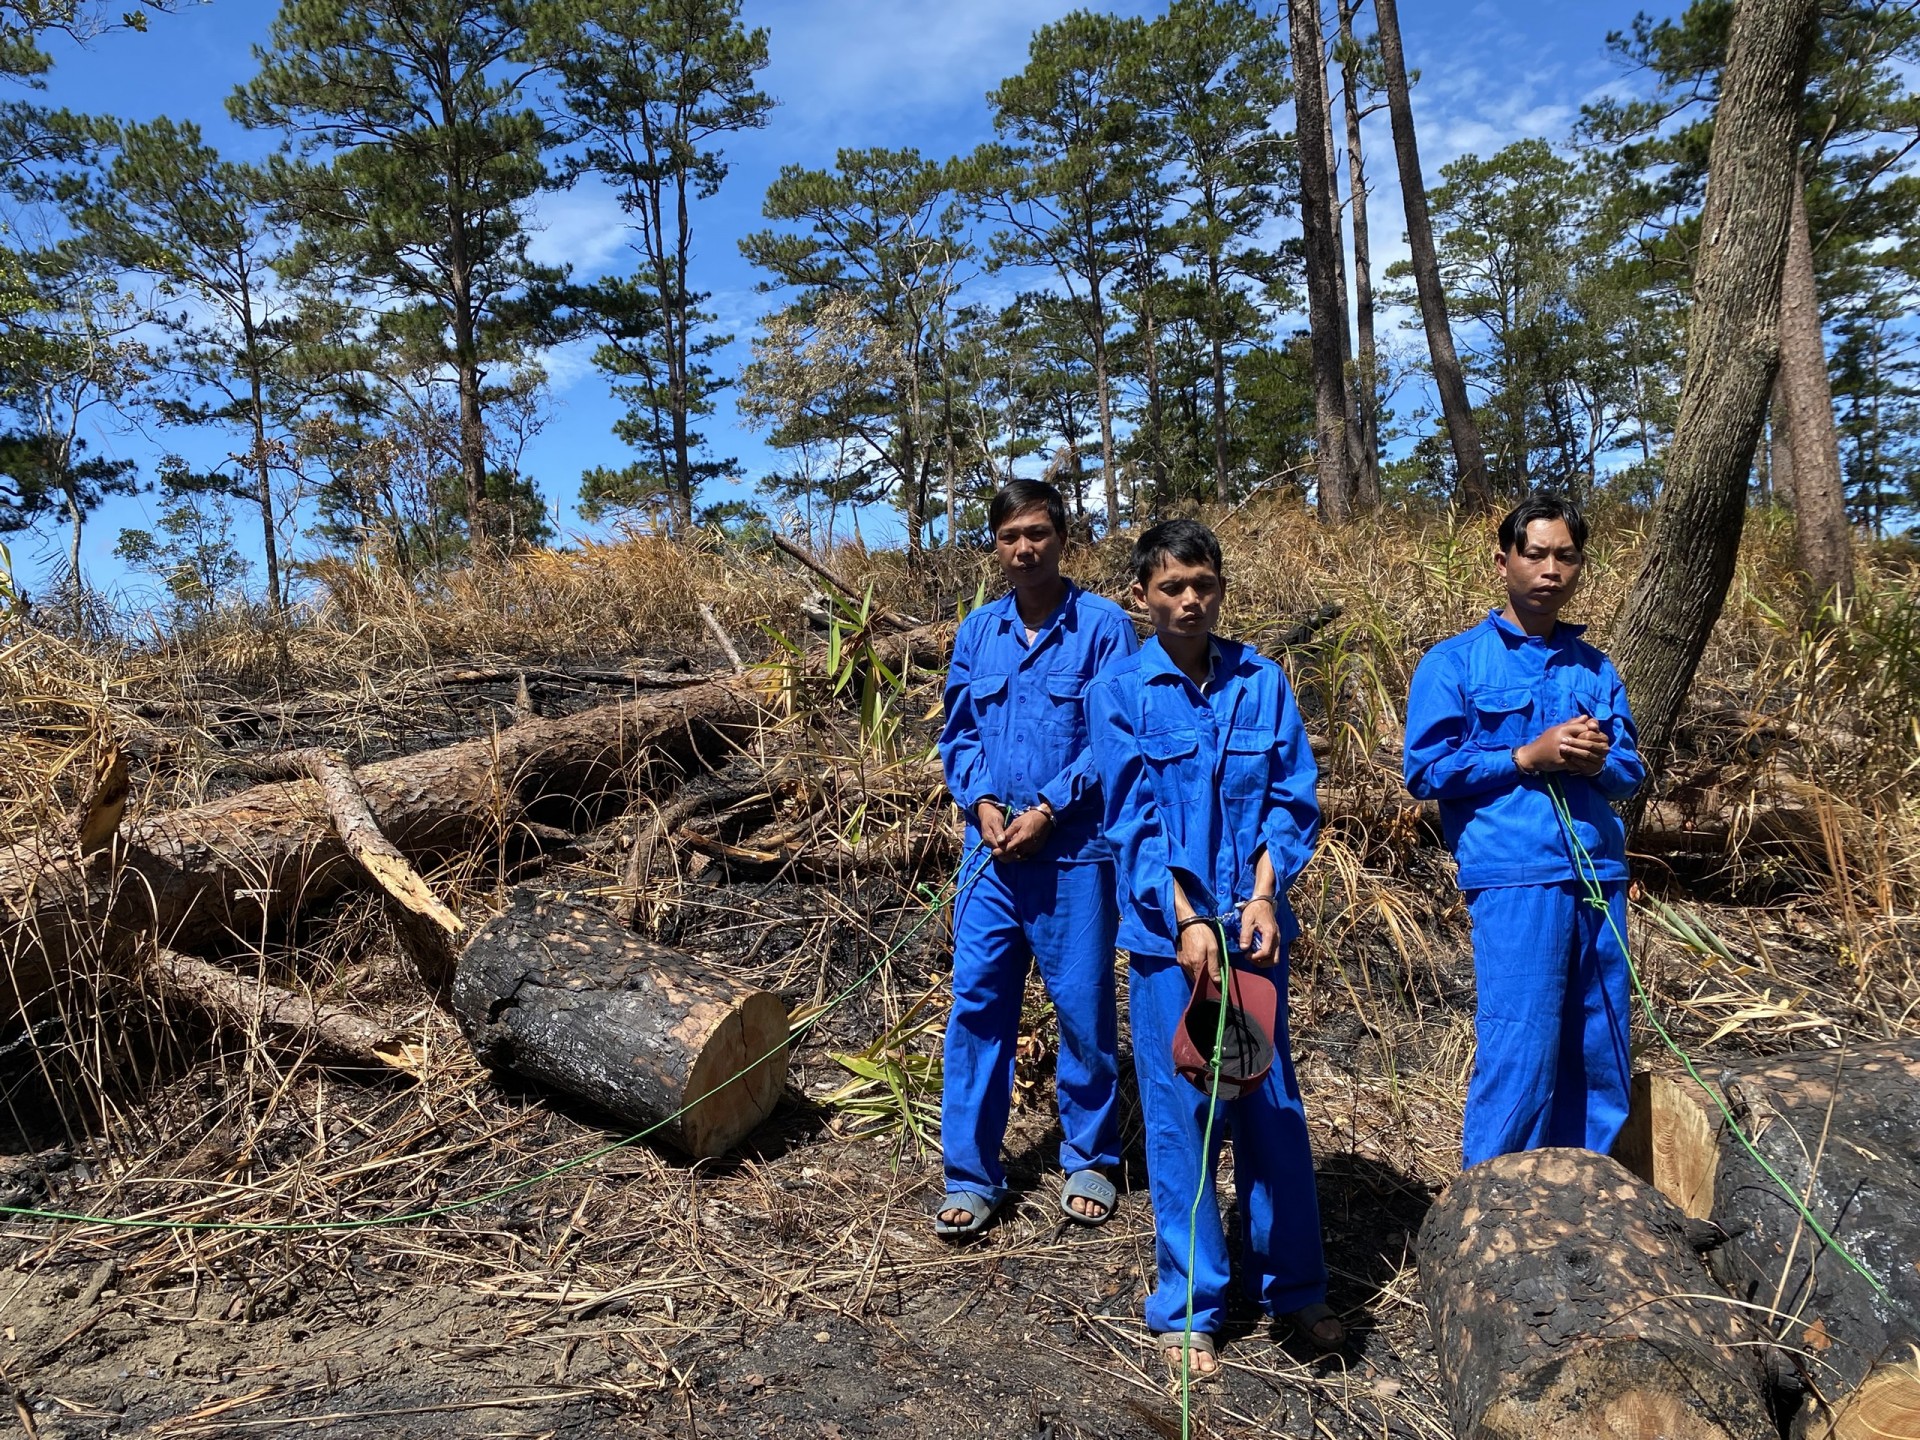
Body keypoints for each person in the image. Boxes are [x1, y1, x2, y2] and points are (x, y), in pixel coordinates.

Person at [1086, 518, 1341, 1376]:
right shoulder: (1120, 691)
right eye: (1172, 587)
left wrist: (1264, 892)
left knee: (1270, 1107)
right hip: (1171, 945)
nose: (1190, 600)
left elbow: (1291, 800)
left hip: (1256, 936)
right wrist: (1187, 917)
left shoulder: (1261, 682)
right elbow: (1131, 821)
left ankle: (1294, 1288)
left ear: (1222, 587)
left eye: (1203, 584)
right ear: (1142, 597)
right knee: (1186, 1115)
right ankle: (1190, 1305)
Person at [1403, 492, 1646, 1170]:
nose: (1550, 569)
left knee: (1600, 1048)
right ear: (1502, 561)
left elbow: (1629, 772)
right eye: (1535, 554)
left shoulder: (1595, 667)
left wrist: (1599, 761)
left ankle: (1583, 1191)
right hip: (1515, 876)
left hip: (1598, 875)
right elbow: (1425, 770)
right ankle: (1492, 1201)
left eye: (1566, 556)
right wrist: (1523, 756)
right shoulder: (1454, 663)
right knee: (1523, 1046)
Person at [934, 480, 1139, 1238]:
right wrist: (982, 802)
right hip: (989, 860)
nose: (1025, 549)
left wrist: (1050, 808)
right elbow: (958, 734)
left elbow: (1114, 739)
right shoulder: (978, 632)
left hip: (1074, 855)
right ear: (995, 546)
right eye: (1010, 536)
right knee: (978, 1006)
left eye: (1038, 534)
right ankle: (971, 1175)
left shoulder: (1105, 628)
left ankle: (1091, 1157)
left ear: (1062, 539)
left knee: (1082, 1009)